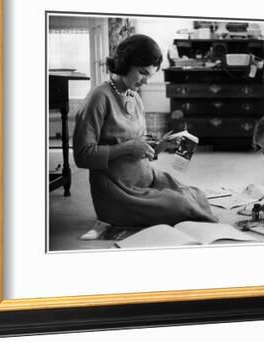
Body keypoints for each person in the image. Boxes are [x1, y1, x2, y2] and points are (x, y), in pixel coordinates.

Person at [73, 34, 217, 227]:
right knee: (181, 204)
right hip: (119, 192)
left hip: (146, 179)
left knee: (197, 195)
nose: (146, 81)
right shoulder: (98, 98)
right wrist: (128, 147)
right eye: (142, 72)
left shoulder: (135, 98)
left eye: (150, 75)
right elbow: (82, 156)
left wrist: (162, 145)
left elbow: (142, 151)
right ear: (125, 63)